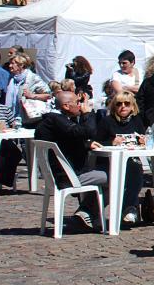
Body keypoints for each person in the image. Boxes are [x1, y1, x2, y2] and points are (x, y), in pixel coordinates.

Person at [35, 90, 107, 230]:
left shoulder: (50, 121)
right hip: (68, 176)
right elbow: (89, 132)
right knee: (118, 175)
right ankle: (87, 211)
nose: (80, 106)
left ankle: (88, 213)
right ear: (66, 106)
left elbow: (67, 139)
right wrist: (87, 113)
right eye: (77, 103)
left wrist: (86, 144)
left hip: (58, 174)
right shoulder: (56, 120)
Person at [95, 91, 148, 224]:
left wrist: (143, 141)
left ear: (132, 106)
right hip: (108, 162)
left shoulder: (137, 120)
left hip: (129, 160)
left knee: (135, 168)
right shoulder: (107, 121)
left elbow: (141, 138)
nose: (123, 107)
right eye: (119, 104)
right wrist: (111, 142)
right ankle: (129, 209)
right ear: (114, 106)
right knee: (133, 169)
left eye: (126, 104)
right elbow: (95, 142)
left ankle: (129, 208)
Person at [5, 54, 50, 121]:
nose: (10, 66)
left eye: (12, 63)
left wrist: (32, 96)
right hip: (14, 119)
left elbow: (48, 95)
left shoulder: (33, 78)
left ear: (21, 65)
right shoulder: (12, 80)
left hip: (30, 119)